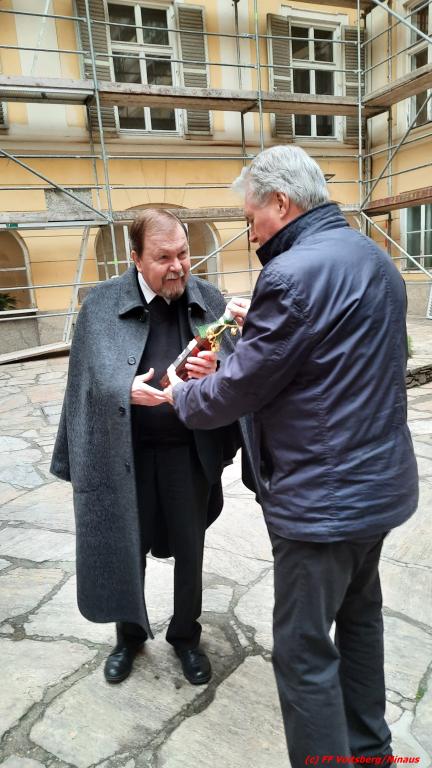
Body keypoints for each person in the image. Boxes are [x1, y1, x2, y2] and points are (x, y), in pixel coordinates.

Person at [164, 146, 419, 764]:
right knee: (360, 622)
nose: (251, 232)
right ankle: (372, 753)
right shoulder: (372, 256)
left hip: (322, 503)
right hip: (378, 489)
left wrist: (182, 394)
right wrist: (257, 329)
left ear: (281, 202)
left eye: (252, 216)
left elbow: (240, 390)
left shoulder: (289, 275)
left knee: (304, 652)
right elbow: (328, 365)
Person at [50, 208, 249, 686]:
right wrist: (123, 391)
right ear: (136, 258)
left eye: (183, 254)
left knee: (190, 550)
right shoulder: (101, 305)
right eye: (163, 258)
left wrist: (217, 372)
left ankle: (186, 637)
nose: (178, 267)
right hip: (127, 456)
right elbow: (86, 385)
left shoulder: (208, 299)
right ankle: (129, 636)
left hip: (188, 453)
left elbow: (239, 371)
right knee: (126, 547)